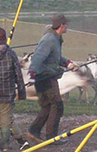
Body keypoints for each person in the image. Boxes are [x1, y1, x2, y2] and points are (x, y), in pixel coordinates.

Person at [26, 14, 76, 144]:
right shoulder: (49, 39)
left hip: (44, 76)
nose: (67, 26)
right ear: (61, 25)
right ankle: (51, 137)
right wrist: (32, 75)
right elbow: (37, 58)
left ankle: (33, 131)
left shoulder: (55, 38)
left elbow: (55, 57)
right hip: (45, 77)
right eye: (66, 24)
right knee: (57, 105)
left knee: (47, 106)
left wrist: (68, 63)